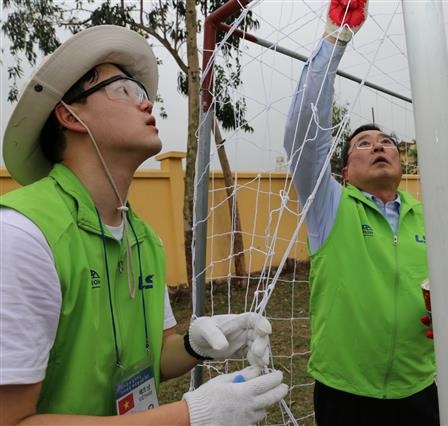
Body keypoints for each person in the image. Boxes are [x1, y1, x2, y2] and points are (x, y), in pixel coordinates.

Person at [0, 25, 287, 425]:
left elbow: (154, 358)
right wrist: (190, 416)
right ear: (69, 115)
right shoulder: (23, 236)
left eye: (143, 91)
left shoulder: (143, 238)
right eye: (124, 89)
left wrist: (193, 343)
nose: (146, 103)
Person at [283, 2, 439, 425]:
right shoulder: (330, 207)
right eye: (363, 144)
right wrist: (337, 36)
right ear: (344, 172)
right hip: (346, 391)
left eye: (387, 141)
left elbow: (439, 286)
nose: (379, 146)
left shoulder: (429, 217)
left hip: (420, 384)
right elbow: (304, 137)